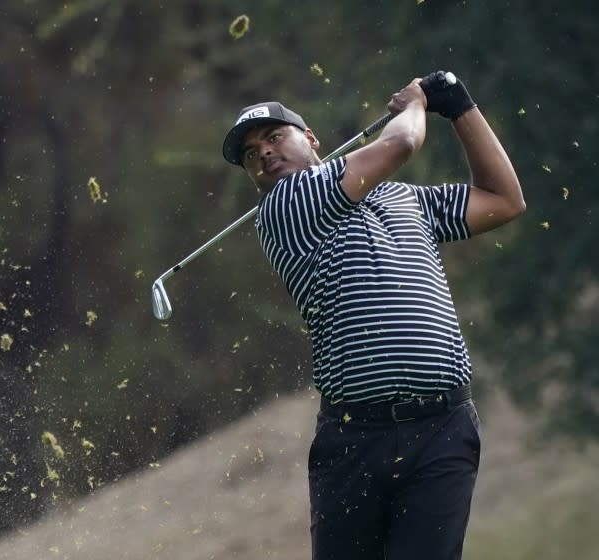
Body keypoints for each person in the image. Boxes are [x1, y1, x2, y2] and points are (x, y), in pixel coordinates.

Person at [221, 72, 524, 560]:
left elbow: (505, 200)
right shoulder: (285, 206)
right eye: (250, 156)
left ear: (311, 138)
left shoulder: (406, 199)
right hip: (356, 442)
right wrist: (416, 102)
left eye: (274, 137)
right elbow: (403, 141)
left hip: (443, 427)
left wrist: (463, 108)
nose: (264, 155)